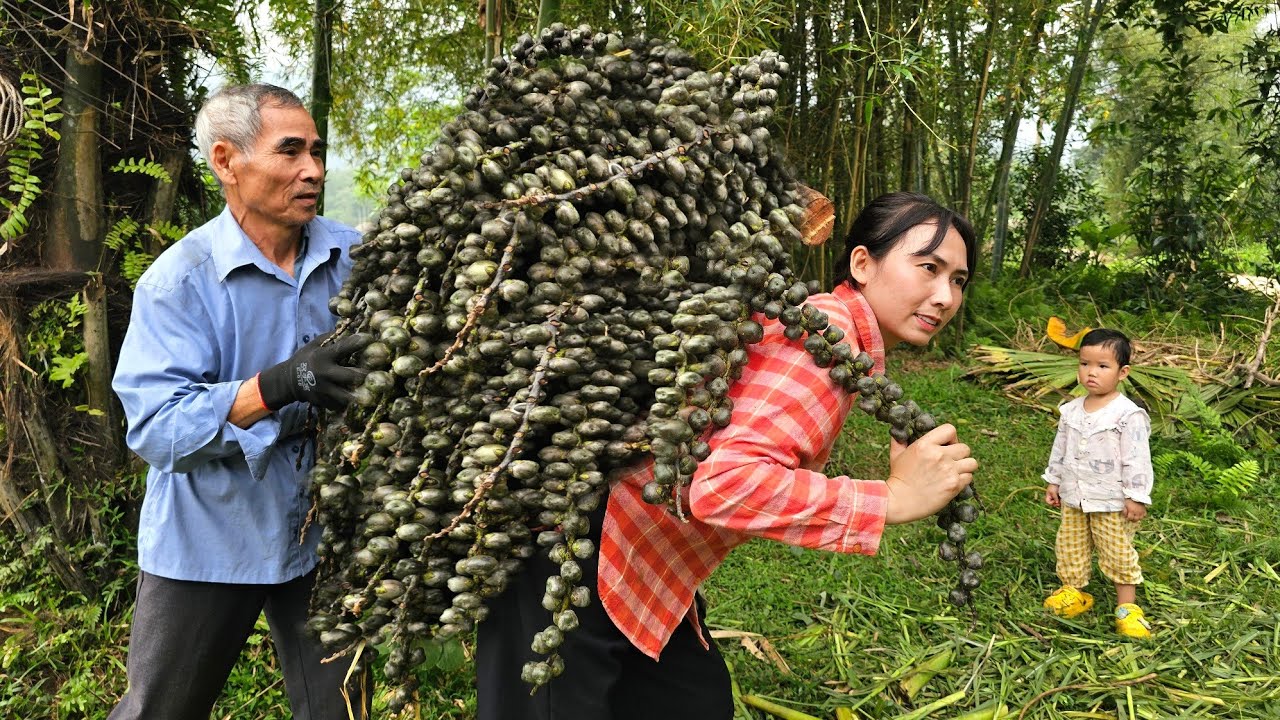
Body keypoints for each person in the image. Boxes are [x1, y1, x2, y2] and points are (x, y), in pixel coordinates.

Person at [477, 191, 980, 719]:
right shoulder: (824, 345)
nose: (944, 295)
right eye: (928, 268)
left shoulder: (828, 337)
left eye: (958, 281)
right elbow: (724, 485)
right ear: (862, 263)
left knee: (695, 702)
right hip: (570, 552)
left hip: (638, 553)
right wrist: (890, 499)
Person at [109, 84, 372, 719]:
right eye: (290, 152)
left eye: (316, 151)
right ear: (227, 161)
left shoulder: (354, 258)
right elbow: (157, 428)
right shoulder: (180, 281)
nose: (312, 169)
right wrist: (276, 386)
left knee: (337, 711)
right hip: (209, 536)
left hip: (322, 532)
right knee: (160, 711)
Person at [1042, 328, 1154, 639]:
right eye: (1084, 364)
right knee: (1071, 546)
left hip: (1111, 500)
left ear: (1123, 372)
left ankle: (1127, 608)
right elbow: (1060, 449)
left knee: (1116, 551)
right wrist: (1054, 481)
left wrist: (1136, 495)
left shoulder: (1127, 415)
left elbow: (1137, 457)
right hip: (1075, 495)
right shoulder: (1071, 411)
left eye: (1102, 366)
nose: (1092, 373)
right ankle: (1073, 591)